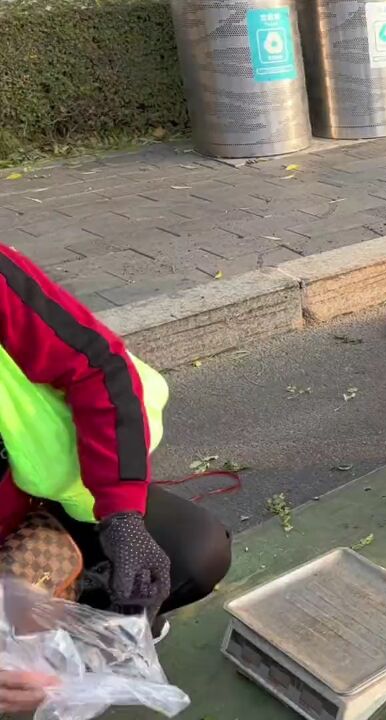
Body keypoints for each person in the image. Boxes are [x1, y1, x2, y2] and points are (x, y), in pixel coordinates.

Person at [0, 246, 231, 714]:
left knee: (192, 552)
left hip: (35, 510)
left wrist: (123, 519)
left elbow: (98, 367)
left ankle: (91, 643)